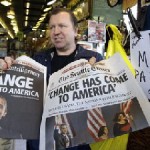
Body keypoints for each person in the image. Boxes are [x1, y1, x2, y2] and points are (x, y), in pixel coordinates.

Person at [0, 8, 103, 150]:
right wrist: (9, 71)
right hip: (41, 141)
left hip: (76, 141)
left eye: (62, 26)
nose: (56, 31)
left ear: (76, 30)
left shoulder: (94, 59)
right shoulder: (38, 60)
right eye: (52, 27)